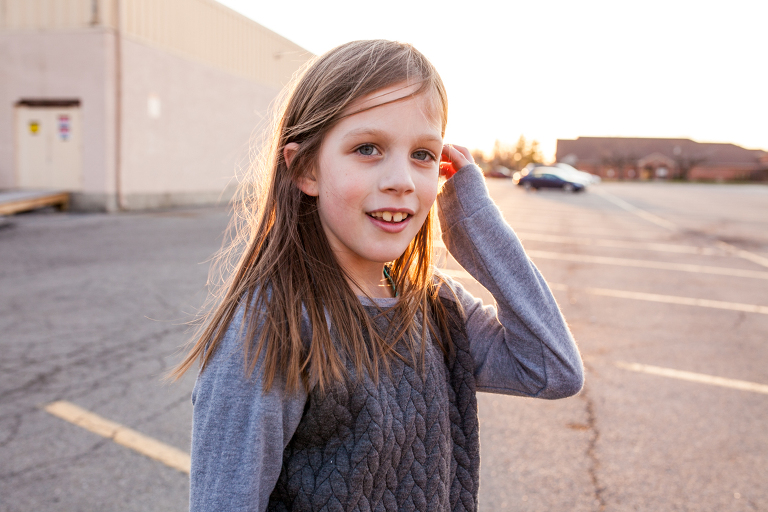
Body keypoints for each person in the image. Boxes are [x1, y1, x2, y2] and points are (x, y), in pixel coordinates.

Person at [173, 40, 583, 512]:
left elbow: (553, 370)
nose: (402, 180)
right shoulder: (273, 323)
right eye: (368, 148)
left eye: (423, 154)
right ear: (305, 169)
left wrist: (473, 220)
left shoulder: (438, 305)